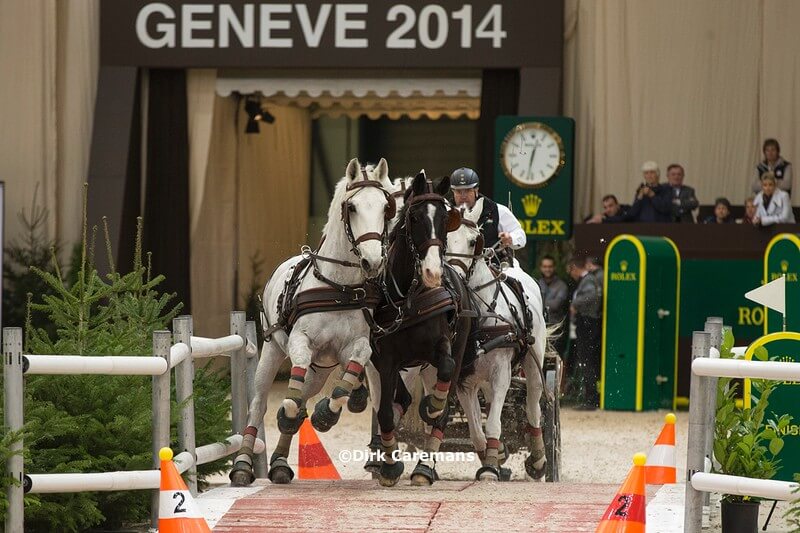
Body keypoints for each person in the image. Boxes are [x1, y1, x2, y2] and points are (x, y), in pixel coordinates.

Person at [450, 167, 526, 265]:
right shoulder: (445, 213)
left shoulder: (497, 210)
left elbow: (521, 235)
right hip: (454, 268)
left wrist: (510, 238)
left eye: (468, 190)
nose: (463, 196)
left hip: (492, 266)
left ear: (476, 190)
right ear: (453, 191)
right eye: (458, 191)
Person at [567, 255, 602, 410]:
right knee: (587, 361)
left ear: (574, 268)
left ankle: (591, 399)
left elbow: (592, 296)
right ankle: (590, 397)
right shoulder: (590, 279)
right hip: (588, 322)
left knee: (587, 361)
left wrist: (575, 304)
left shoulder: (588, 280)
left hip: (587, 322)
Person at [536, 255, 569, 358]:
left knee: (555, 358)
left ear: (554, 267)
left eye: (550, 266)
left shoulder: (561, 285)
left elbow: (556, 305)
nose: (547, 269)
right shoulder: (537, 284)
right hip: (539, 328)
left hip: (555, 329)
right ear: (541, 268)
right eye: (545, 266)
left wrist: (539, 303)